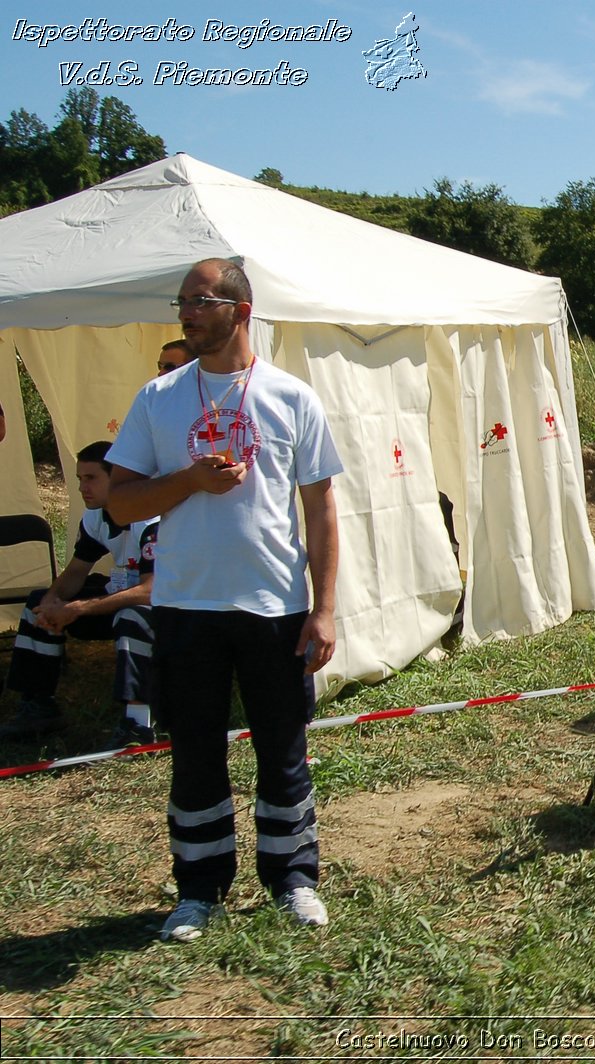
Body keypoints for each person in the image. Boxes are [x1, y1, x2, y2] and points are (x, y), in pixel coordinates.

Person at [106, 258, 342, 942]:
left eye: (199, 301)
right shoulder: (159, 399)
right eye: (182, 302)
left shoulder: (291, 397)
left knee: (283, 747)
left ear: (239, 310)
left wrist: (323, 608)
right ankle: (198, 890)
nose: (185, 312)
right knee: (197, 750)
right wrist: (187, 482)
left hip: (274, 606)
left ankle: (293, 877)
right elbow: (120, 503)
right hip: (185, 606)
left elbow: (322, 508)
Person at [0, 441, 158, 745]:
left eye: (91, 478)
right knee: (37, 604)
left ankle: (138, 724)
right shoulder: (96, 517)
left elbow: (152, 591)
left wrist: (77, 609)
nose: (82, 488)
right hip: (122, 595)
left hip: (170, 607)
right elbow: (74, 573)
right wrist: (51, 602)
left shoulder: (151, 520)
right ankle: (38, 706)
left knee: (133, 616)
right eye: (79, 479)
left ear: (119, 479)